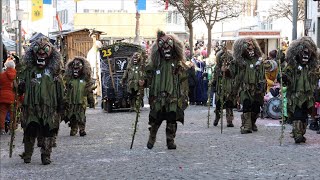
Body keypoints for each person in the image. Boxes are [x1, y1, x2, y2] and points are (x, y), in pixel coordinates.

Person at [18, 37, 64, 165]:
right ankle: (27, 155)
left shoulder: (54, 73)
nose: (41, 53)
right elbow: (19, 87)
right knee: (30, 130)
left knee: (47, 131)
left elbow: (60, 89)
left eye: (45, 50)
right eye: (38, 50)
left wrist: (61, 105)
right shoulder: (28, 71)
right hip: (31, 108)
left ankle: (46, 156)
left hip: (49, 108)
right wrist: (21, 86)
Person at [145, 30, 188, 150]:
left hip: (173, 96)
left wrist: (184, 70)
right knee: (156, 118)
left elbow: (183, 79)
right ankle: (152, 136)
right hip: (158, 96)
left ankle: (170, 140)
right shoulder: (155, 62)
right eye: (162, 44)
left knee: (172, 118)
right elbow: (147, 74)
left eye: (169, 44)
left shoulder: (177, 63)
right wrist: (143, 81)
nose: (166, 47)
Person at [282, 37, 320, 143]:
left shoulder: (312, 67)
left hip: (308, 96)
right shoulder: (291, 66)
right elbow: (285, 77)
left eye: (308, 52)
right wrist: (284, 77)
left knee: (304, 116)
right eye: (303, 52)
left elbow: (316, 77)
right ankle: (297, 134)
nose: (305, 55)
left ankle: (301, 133)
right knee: (297, 114)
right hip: (295, 96)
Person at [233, 37, 265, 134]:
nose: (251, 48)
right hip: (245, 89)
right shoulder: (239, 62)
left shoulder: (259, 60)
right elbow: (232, 73)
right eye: (248, 47)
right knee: (246, 105)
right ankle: (247, 126)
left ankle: (252, 122)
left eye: (252, 46)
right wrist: (226, 70)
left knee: (256, 107)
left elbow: (268, 67)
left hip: (257, 89)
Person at [64, 56, 95, 136]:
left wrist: (91, 101)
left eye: (78, 67)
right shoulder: (68, 79)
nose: (76, 68)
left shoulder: (85, 80)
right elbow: (63, 88)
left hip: (81, 102)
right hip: (71, 102)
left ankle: (82, 129)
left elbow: (89, 91)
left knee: (81, 116)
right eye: (74, 67)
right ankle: (73, 128)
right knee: (72, 116)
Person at [212, 46, 236, 127]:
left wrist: (227, 70)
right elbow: (215, 77)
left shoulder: (232, 66)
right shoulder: (217, 67)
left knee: (229, 104)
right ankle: (217, 118)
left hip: (229, 88)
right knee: (219, 105)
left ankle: (229, 121)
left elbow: (233, 75)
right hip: (220, 88)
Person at [0, 57, 16, 135]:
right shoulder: (16, 75)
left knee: (2, 113)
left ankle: (2, 129)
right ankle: (11, 129)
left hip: (2, 97)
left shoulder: (2, 75)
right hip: (12, 97)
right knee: (13, 113)